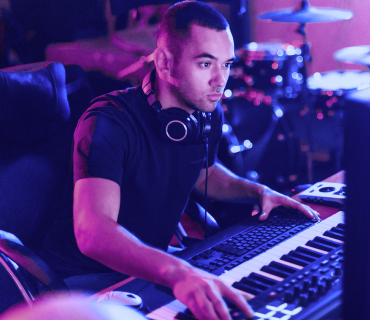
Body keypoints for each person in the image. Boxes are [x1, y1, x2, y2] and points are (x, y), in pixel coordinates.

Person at [42, 2, 319, 319]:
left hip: (152, 267)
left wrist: (257, 192)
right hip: (87, 282)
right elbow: (94, 233)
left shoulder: (206, 113)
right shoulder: (108, 122)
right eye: (205, 64)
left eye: (226, 65)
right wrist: (178, 272)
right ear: (164, 62)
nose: (220, 80)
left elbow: (205, 171)